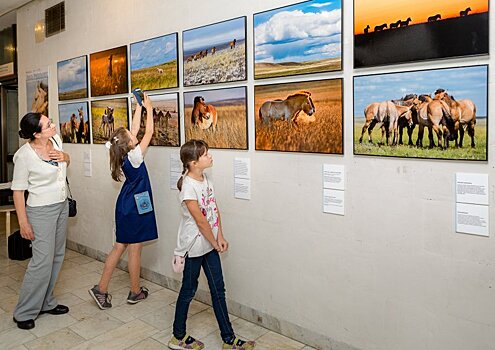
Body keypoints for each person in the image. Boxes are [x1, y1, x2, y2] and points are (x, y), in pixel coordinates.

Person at [168, 140, 255, 350]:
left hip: (209, 244)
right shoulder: (188, 186)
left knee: (218, 291)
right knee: (188, 290)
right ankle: (177, 336)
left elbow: (213, 210)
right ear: (193, 162)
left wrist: (220, 236)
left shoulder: (205, 179)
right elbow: (200, 221)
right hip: (193, 248)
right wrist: (215, 242)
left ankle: (229, 339)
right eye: (206, 154)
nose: (210, 156)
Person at [89, 94, 158, 309]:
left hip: (126, 204)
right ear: (129, 143)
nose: (133, 131)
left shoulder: (121, 150)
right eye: (130, 134)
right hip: (135, 205)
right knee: (134, 249)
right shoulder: (135, 155)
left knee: (120, 247)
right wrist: (150, 108)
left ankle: (101, 289)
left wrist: (138, 107)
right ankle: (135, 292)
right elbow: (149, 132)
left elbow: (135, 129)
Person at [11, 112, 71, 330]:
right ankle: (24, 311)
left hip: (61, 205)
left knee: (57, 256)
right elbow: (18, 192)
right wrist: (24, 223)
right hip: (40, 211)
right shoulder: (24, 156)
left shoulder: (56, 140)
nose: (53, 125)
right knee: (41, 261)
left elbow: (65, 162)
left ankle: (46, 302)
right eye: (48, 124)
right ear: (36, 134)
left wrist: (66, 158)